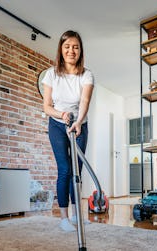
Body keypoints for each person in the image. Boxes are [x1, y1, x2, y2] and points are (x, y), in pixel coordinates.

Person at [41, 30, 94, 231]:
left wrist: (78, 122)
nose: (71, 50)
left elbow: (85, 101)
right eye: (67, 46)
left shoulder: (86, 75)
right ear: (61, 50)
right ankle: (64, 218)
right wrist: (61, 114)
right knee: (64, 170)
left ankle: (77, 216)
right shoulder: (51, 74)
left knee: (77, 172)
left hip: (80, 124)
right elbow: (46, 106)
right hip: (57, 125)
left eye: (75, 47)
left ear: (80, 50)